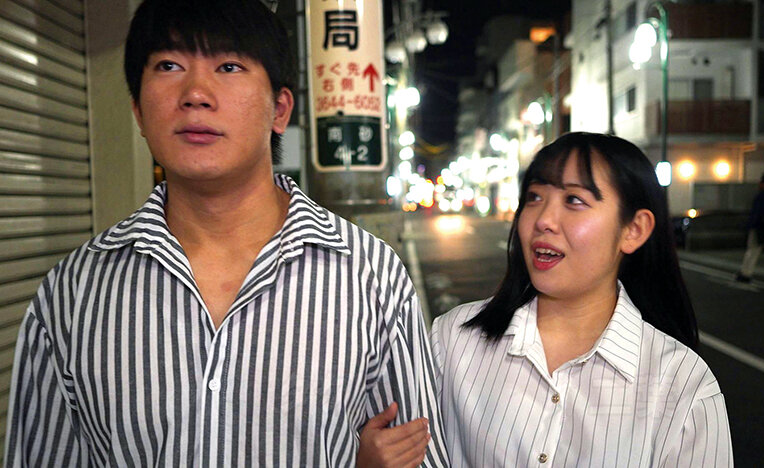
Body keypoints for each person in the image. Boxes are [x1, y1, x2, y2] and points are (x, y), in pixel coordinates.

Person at [3, 1, 447, 466]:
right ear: (137, 110)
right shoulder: (74, 292)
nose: (196, 93)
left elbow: (423, 454)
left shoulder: (370, 276)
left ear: (279, 109)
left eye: (229, 66)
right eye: (169, 65)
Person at [370, 132, 733, 466]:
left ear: (633, 229)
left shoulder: (683, 386)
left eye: (574, 200)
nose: (544, 219)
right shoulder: (452, 340)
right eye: (534, 197)